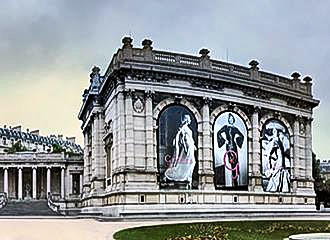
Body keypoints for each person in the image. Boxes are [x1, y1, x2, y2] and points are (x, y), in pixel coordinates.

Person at [165, 114, 196, 189]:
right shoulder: (183, 128)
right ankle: (188, 178)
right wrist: (185, 147)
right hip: (187, 147)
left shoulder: (187, 128)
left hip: (191, 146)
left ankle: (189, 178)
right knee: (190, 163)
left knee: (192, 163)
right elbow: (181, 138)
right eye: (186, 118)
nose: (188, 120)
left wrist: (193, 145)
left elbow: (190, 138)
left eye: (188, 118)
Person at [216, 113, 244, 187]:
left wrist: (237, 139)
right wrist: (224, 140)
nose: (230, 120)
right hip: (228, 146)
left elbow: (241, 135)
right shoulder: (226, 127)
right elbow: (219, 133)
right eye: (229, 119)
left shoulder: (235, 128)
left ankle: (235, 181)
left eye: (231, 119)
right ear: (228, 120)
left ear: (233, 120)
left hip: (234, 146)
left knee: (235, 163)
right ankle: (231, 182)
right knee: (230, 162)